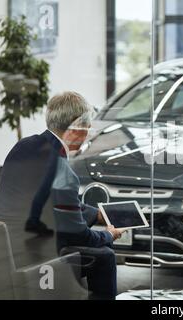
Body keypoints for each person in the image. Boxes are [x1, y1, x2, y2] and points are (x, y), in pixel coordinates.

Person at [45, 92, 123, 299]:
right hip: (43, 249)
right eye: (87, 128)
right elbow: (77, 235)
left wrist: (96, 214)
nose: (88, 133)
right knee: (105, 255)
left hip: (11, 239)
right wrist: (108, 235)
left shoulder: (26, 147)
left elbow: (55, 203)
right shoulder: (64, 171)